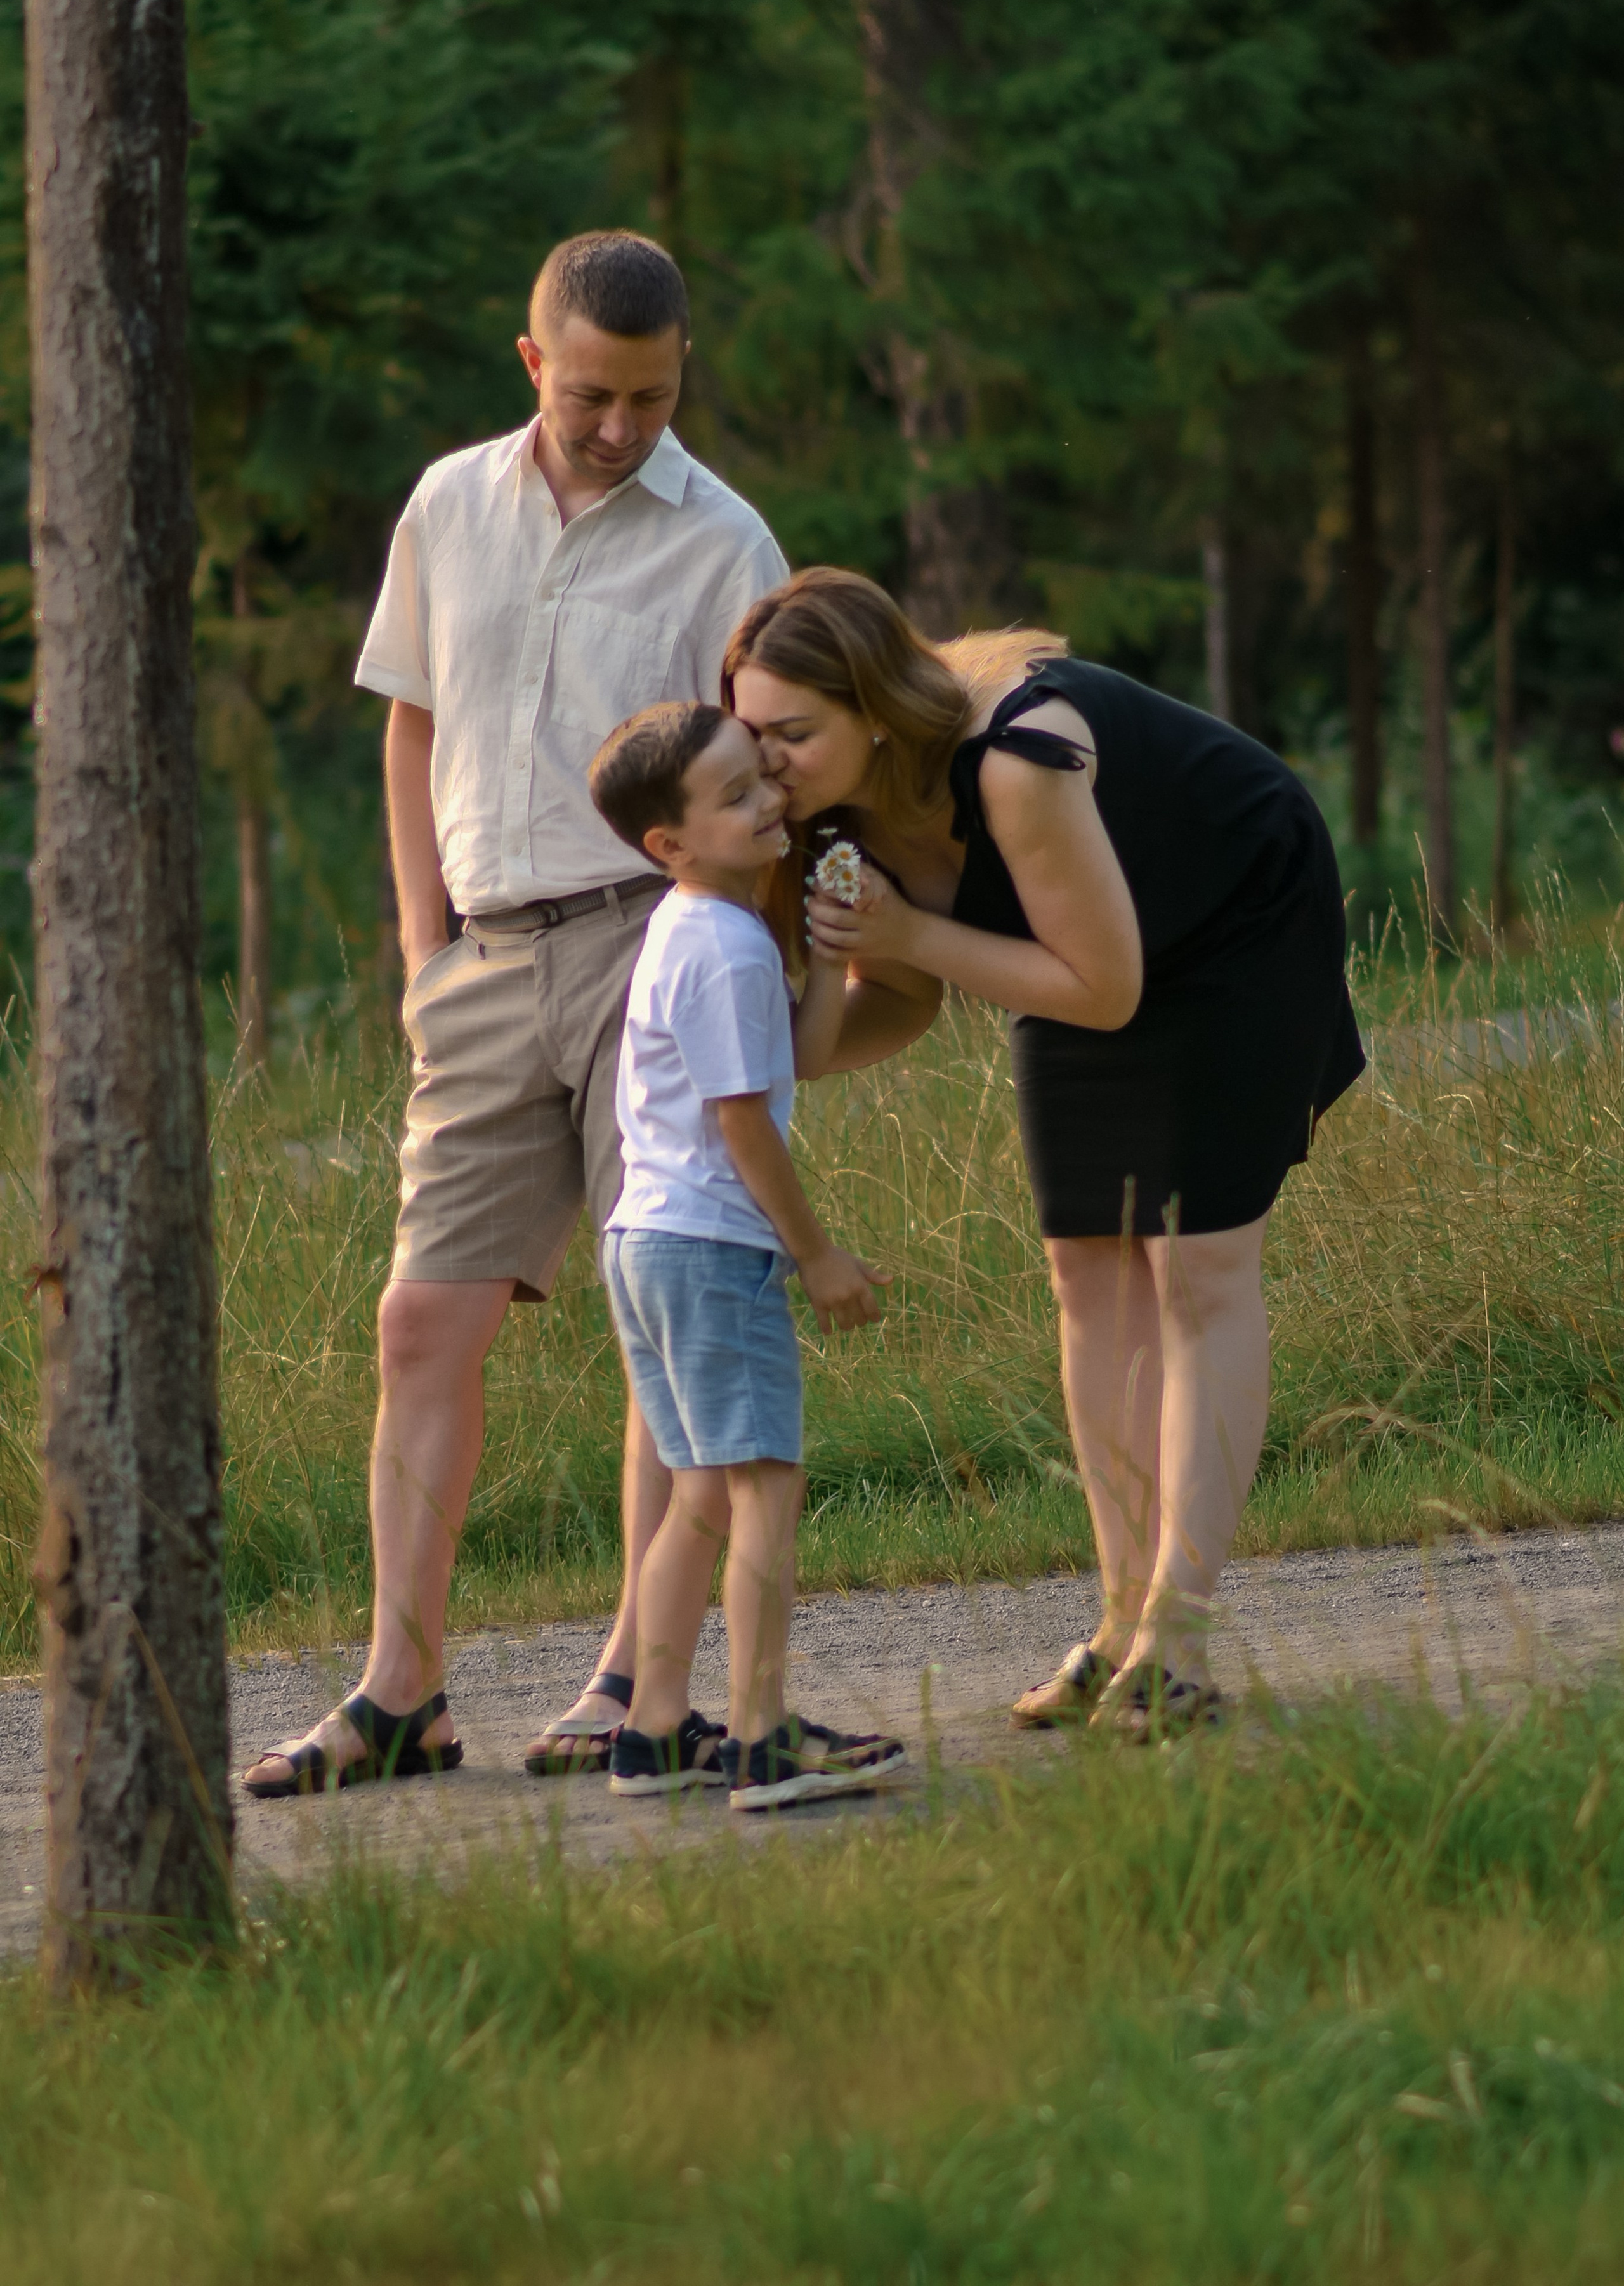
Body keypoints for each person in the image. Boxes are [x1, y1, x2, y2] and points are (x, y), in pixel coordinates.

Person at [242, 232, 788, 1798]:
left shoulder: (725, 540)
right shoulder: (445, 504)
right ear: (532, 362)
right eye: (591, 395)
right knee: (421, 1320)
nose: (620, 427)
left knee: (657, 1309)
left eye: (652, 398)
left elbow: (765, 778)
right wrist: (423, 948)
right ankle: (399, 1691)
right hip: (480, 962)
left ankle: (629, 1675)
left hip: (652, 949)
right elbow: (412, 727)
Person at [727, 569, 1366, 1739]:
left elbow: (1103, 990)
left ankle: (1178, 1637)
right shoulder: (832, 814)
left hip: (1234, 914)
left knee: (1198, 1268)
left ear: (877, 713)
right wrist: (774, 1044)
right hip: (1080, 947)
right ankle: (1120, 1621)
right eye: (750, 732)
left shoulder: (1018, 758)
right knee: (1086, 1267)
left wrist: (912, 929)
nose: (766, 763)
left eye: (793, 734)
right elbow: (903, 997)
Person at [586, 699, 907, 1808]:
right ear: (668, 842)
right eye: (735, 796)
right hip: (712, 1246)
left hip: (646, 1240)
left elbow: (791, 1065)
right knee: (768, 1481)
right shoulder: (723, 946)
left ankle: (653, 1728)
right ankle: (764, 1735)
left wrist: (831, 961)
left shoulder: (701, 924)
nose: (771, 799)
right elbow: (743, 1122)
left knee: (700, 1492)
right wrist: (816, 1253)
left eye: (762, 777)